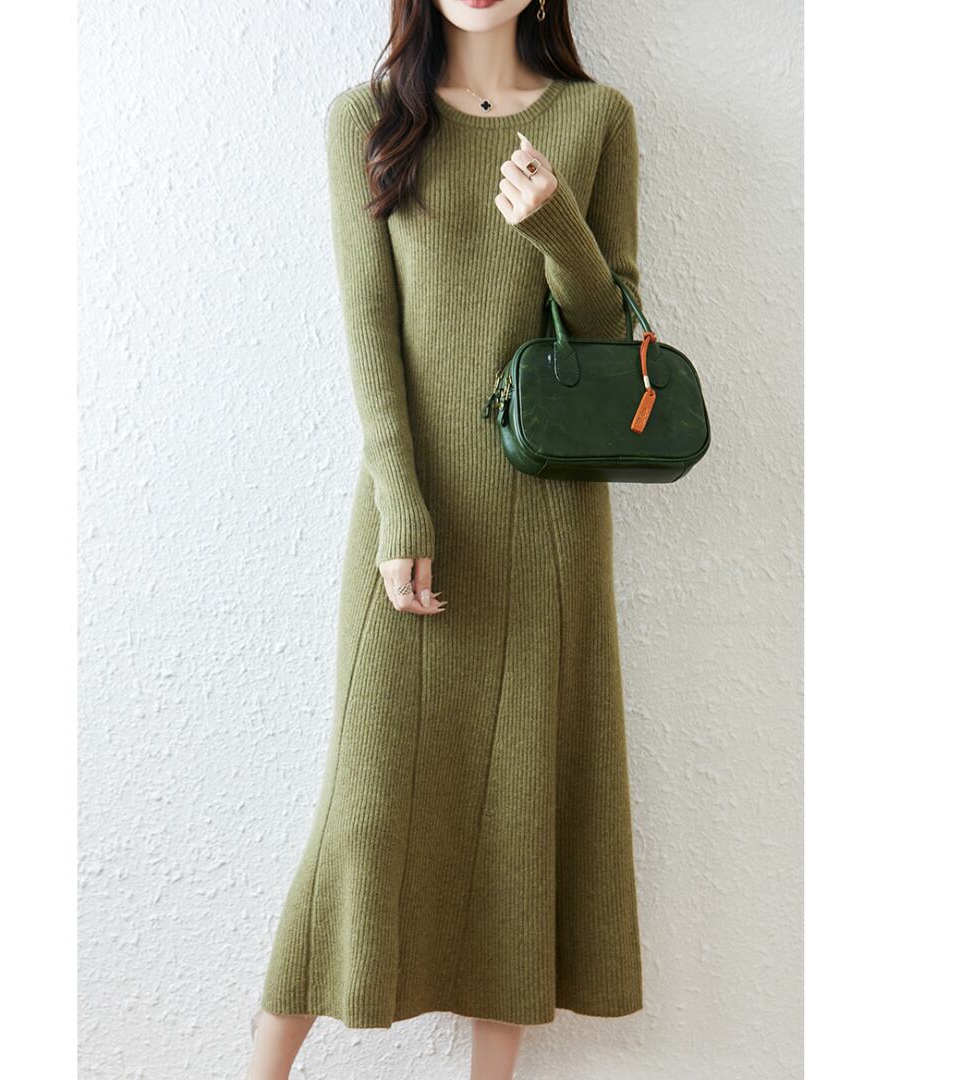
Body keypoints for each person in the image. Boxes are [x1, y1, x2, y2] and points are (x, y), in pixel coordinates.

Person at [246, 2, 645, 1077]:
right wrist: (403, 507)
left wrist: (556, 225)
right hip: (410, 516)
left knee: (519, 802)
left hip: (549, 521)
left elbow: (612, 334)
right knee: (364, 811)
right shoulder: (369, 120)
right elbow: (369, 332)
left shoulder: (597, 118)